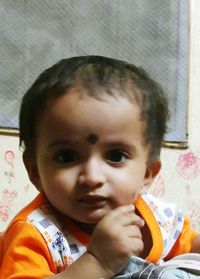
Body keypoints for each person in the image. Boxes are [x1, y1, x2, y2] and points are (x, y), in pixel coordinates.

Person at [0, 55, 199, 279]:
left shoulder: (158, 216)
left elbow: (190, 245)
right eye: (66, 156)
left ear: (147, 172)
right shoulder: (36, 233)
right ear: (35, 170)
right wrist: (97, 262)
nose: (92, 177)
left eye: (116, 156)